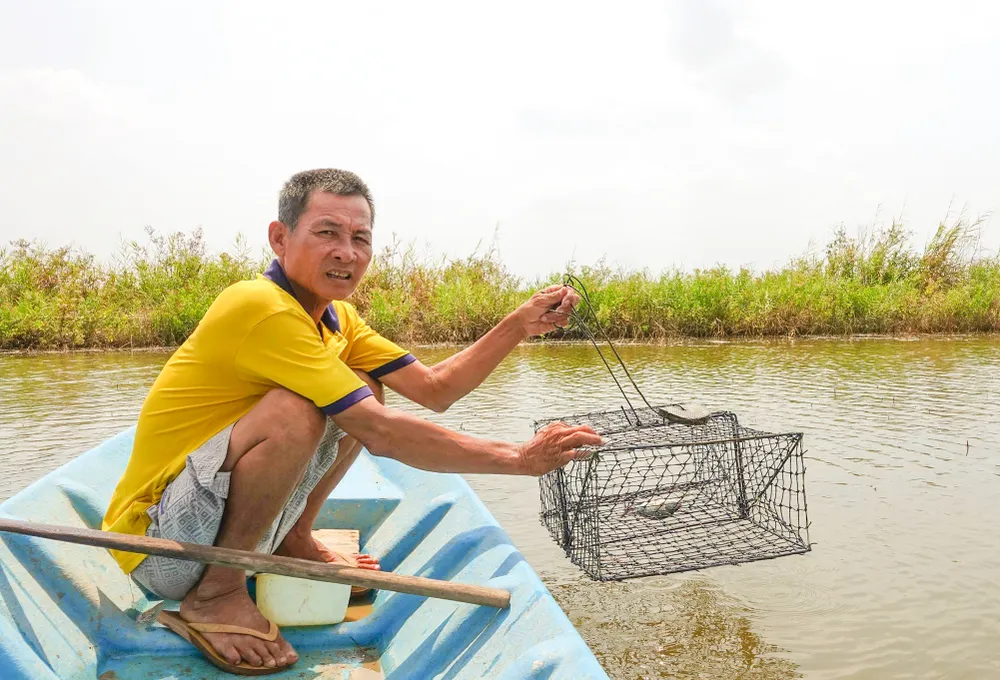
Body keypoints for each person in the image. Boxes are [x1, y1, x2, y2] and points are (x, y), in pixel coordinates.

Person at [102, 168, 601, 673]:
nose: (346, 252)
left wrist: (517, 324)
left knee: (363, 383)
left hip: (226, 529)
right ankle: (216, 594)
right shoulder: (262, 307)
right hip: (163, 547)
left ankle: (294, 536)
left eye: (359, 238)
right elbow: (380, 431)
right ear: (280, 238)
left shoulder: (337, 318)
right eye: (327, 233)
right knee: (298, 411)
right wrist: (517, 458)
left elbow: (435, 389)